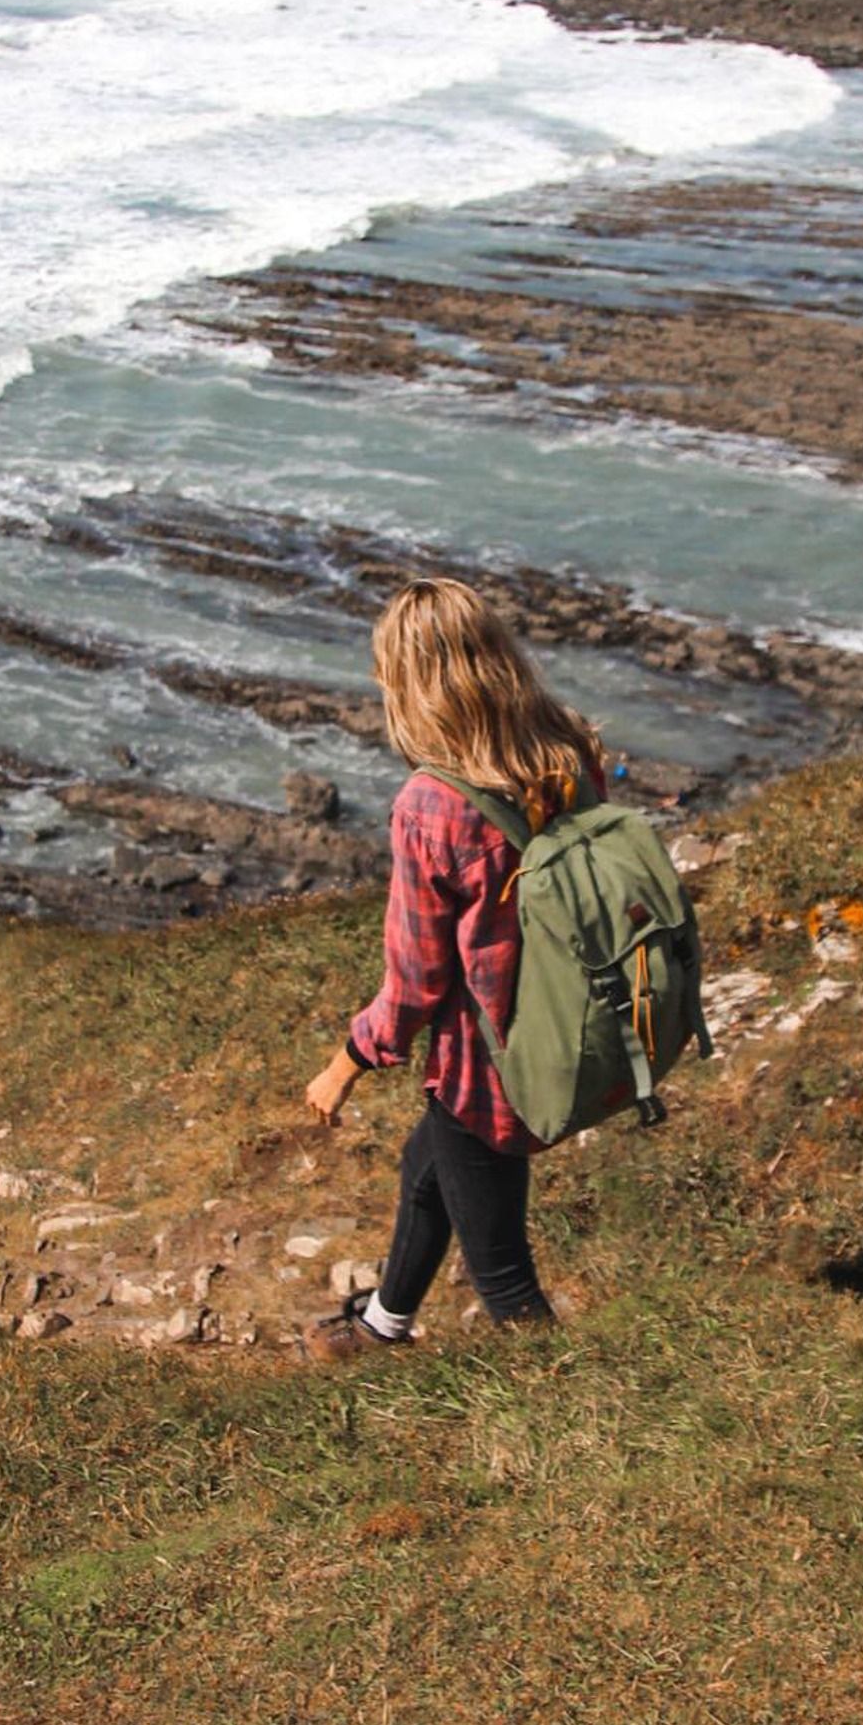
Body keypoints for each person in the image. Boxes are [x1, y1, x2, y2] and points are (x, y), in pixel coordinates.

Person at [302, 576, 603, 1353]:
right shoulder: (567, 748)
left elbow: (415, 985)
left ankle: (578, 1417)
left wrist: (345, 1064)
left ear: (412, 683)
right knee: (427, 1163)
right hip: (564, 1023)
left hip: (490, 1060)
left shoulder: (433, 805)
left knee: (502, 1273)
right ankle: (383, 1323)